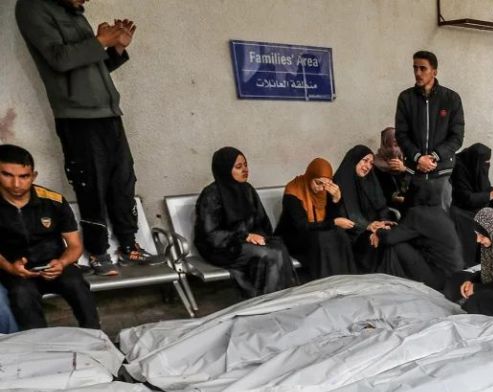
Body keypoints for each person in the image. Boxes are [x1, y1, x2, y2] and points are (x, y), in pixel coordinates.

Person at [14, 1, 161, 275]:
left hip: (108, 112)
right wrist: (99, 40)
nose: (87, 0)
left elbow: (92, 67)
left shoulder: (74, 13)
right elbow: (59, 59)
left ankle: (130, 245)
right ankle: (98, 252)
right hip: (78, 116)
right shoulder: (32, 8)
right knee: (91, 183)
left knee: (123, 180)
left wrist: (115, 48)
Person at [0, 144, 99, 330]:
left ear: (33, 176)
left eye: (24, 176)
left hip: (55, 266)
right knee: (22, 295)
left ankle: (96, 340)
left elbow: (75, 245)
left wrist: (61, 263)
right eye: (7, 175)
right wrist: (11, 268)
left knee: (77, 285)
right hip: (16, 272)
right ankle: (42, 349)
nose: (16, 184)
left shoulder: (53, 201)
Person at [195, 147, 295, 298]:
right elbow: (210, 234)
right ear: (225, 169)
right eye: (238, 167)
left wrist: (259, 237)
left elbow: (262, 222)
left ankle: (286, 297)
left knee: (279, 248)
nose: (245, 170)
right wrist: (244, 237)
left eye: (246, 165)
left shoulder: (247, 190)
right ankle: (267, 301)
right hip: (222, 247)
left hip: (246, 242)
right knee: (267, 254)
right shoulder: (211, 194)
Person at [394, 50, 464, 211]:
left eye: (423, 68)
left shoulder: (451, 99)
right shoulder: (406, 98)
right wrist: (418, 158)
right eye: (415, 68)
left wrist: (433, 157)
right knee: (414, 221)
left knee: (440, 223)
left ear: (434, 71)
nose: (418, 73)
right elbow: (401, 134)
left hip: (440, 172)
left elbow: (457, 137)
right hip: (414, 173)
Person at [276, 158, 357, 281]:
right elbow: (302, 225)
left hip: (316, 235)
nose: (322, 189)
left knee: (340, 235)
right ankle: (325, 284)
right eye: (318, 183)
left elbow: (330, 219)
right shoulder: (293, 191)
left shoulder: (326, 190)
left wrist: (336, 201)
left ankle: (347, 282)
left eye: (327, 184)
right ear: (309, 177)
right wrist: (333, 222)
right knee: (322, 238)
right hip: (294, 237)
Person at [374, 182, 463, 291]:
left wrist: (378, 230)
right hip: (453, 277)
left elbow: (389, 239)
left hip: (438, 280)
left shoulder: (418, 213)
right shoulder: (440, 212)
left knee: (396, 246)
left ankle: (386, 285)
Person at [333, 145, 395, 273]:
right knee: (373, 244)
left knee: (391, 237)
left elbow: (382, 207)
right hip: (352, 235)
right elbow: (343, 216)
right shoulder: (339, 183)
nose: (368, 167)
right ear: (354, 160)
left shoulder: (370, 181)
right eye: (364, 161)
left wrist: (382, 225)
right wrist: (368, 226)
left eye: (371, 163)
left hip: (372, 228)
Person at [451, 143, 493, 263]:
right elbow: (465, 198)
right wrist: (490, 195)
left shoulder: (477, 167)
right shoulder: (460, 170)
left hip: (476, 209)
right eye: (485, 163)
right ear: (475, 161)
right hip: (462, 212)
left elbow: (484, 187)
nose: (487, 166)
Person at [373, 127, 410, 212]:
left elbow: (418, 180)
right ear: (383, 145)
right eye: (389, 146)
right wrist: (392, 197)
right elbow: (375, 191)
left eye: (396, 145)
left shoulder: (408, 159)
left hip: (410, 203)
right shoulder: (375, 164)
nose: (393, 150)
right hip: (388, 208)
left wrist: (404, 169)